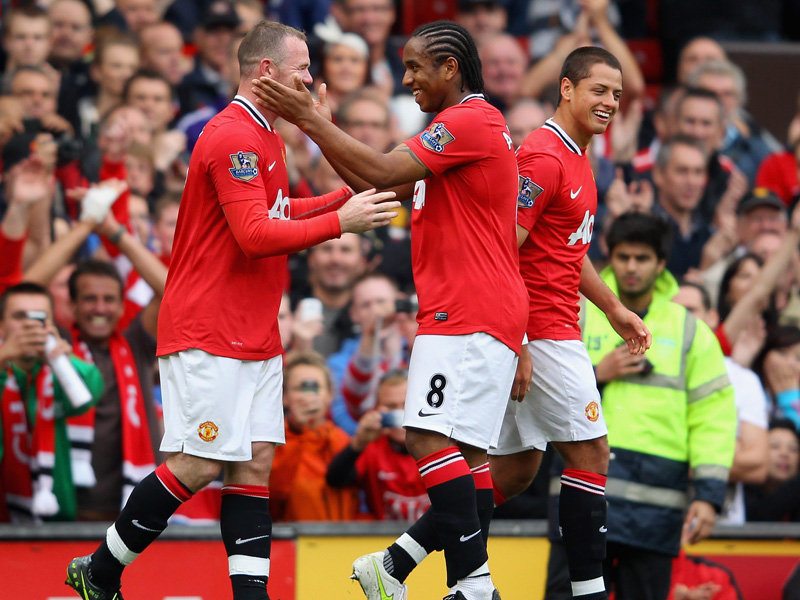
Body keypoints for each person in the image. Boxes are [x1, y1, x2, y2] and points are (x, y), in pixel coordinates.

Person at [64, 20, 399, 600]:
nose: (310, 81)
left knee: (255, 461)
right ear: (266, 72)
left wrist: (346, 196)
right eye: (302, 70)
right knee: (198, 462)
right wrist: (338, 225)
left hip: (253, 330)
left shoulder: (265, 135)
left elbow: (279, 207)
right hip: (208, 327)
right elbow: (253, 233)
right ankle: (99, 569)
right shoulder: (233, 135)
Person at [251, 20, 528, 600]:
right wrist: (316, 129)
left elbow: (378, 171)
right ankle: (418, 573)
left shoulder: (469, 121)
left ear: (450, 67)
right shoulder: (460, 131)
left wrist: (307, 118)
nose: (406, 80)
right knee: (468, 456)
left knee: (425, 437)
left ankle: (474, 586)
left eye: (415, 67)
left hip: (466, 312)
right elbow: (373, 184)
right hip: (486, 310)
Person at [548, 212, 736, 600]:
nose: (631, 268)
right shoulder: (576, 311)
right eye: (623, 257)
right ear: (608, 255)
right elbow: (538, 386)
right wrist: (598, 374)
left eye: (642, 258)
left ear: (662, 263)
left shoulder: (690, 331)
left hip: (655, 511)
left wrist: (708, 496)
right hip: (580, 493)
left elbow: (713, 416)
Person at [0, 282, 103, 522]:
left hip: (53, 518)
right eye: (19, 317)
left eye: (39, 318)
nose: (29, 325)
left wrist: (63, 359)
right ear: (2, 325)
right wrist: (4, 357)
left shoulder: (58, 370)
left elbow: (91, 392)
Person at [326, 368, 430, 521]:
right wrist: (359, 442)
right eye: (391, 407)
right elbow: (336, 480)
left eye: (406, 405)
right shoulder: (372, 447)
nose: (400, 413)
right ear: (377, 409)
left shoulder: (438, 444)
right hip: (386, 541)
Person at [269, 351, 359, 521]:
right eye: (300, 388)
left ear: (330, 395)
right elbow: (273, 497)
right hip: (294, 544)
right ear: (284, 397)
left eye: (315, 387)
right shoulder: (271, 445)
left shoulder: (344, 441)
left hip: (346, 543)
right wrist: (298, 432)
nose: (308, 396)